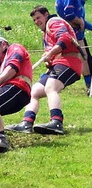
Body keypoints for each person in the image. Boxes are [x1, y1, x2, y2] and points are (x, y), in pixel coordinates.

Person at [5, 6, 81, 135]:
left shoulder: (54, 22)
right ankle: (27, 123)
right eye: (34, 20)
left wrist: (51, 53)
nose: (36, 22)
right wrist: (48, 59)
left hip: (69, 62)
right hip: (58, 64)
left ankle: (56, 122)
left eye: (38, 17)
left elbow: (65, 38)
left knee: (51, 87)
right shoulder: (46, 33)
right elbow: (51, 53)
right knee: (34, 91)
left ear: (46, 14)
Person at [0, 37, 32, 153]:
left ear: (3, 44)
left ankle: (1, 138)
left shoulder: (15, 48)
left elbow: (13, 68)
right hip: (9, 90)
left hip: (19, 88)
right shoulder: (0, 69)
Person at [56, 0, 92, 96]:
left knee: (86, 59)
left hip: (76, 35)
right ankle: (89, 87)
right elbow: (69, 14)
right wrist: (80, 22)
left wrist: (85, 24)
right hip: (74, 36)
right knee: (83, 60)